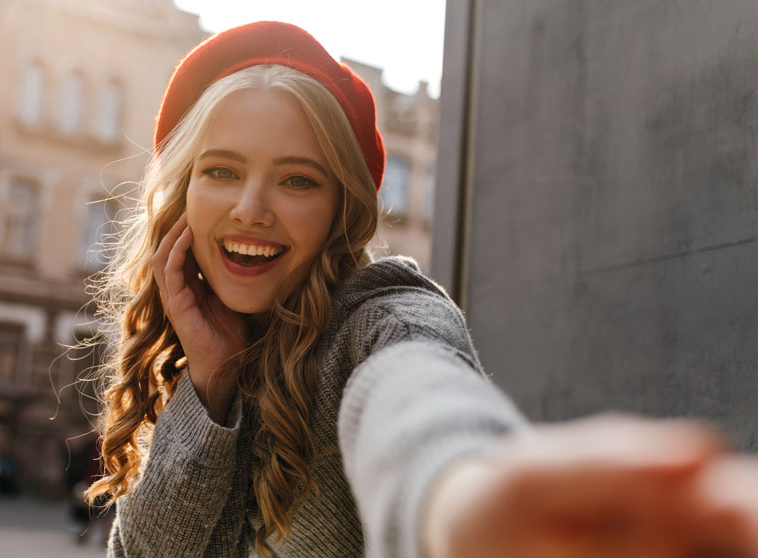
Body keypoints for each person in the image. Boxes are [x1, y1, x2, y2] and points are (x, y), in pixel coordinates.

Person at [85, 21, 758, 558]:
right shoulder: (204, 357)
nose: (251, 209)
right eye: (223, 172)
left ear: (341, 207)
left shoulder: (383, 319)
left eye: (297, 180)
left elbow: (417, 396)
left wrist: (462, 497)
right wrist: (209, 378)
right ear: (185, 191)